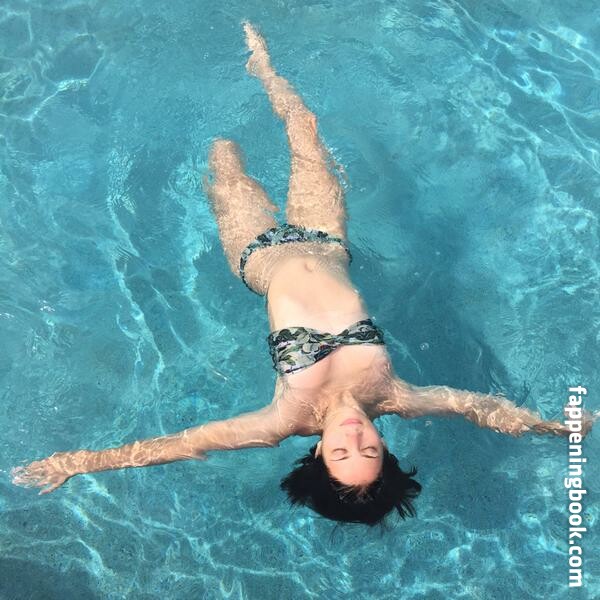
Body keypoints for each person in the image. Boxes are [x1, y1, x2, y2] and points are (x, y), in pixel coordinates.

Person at [11, 22, 596, 526]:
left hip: (258, 254)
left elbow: (188, 443)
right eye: (370, 451)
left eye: (341, 454)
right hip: (327, 239)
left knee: (223, 155)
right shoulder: (398, 395)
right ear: (386, 449)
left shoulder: (282, 420)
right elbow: (478, 407)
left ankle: (178, 87)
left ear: (316, 456)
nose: (355, 438)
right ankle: (260, 64)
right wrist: (552, 428)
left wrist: (77, 464)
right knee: (305, 127)